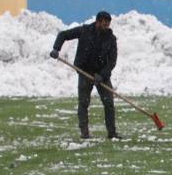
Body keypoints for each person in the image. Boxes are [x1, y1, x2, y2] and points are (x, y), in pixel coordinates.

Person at [50, 11, 120, 140]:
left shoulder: (111, 39)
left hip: (102, 75)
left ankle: (112, 133)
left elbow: (112, 61)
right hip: (84, 72)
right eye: (103, 24)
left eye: (108, 25)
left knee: (109, 103)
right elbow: (63, 35)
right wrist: (56, 48)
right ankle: (84, 132)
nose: (106, 27)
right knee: (83, 103)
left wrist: (102, 75)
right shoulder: (84, 31)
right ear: (97, 22)